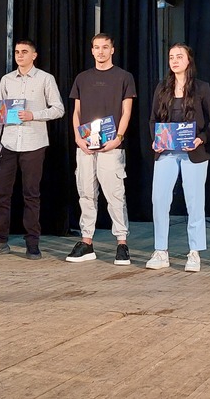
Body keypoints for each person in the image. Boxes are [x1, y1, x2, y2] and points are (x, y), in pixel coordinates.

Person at [0, 40, 65, 260]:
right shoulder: (7, 80)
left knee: (31, 194)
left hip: (34, 143)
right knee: (2, 193)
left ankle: (32, 243)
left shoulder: (45, 79)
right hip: (8, 143)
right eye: (17, 52)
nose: (19, 55)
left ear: (34, 55)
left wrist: (33, 115)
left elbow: (58, 109)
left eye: (24, 52)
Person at [145, 44, 210, 272]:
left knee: (194, 201)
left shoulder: (202, 88)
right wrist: (156, 140)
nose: (175, 61)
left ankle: (194, 252)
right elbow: (153, 120)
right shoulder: (162, 87)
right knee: (159, 199)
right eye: (171, 57)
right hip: (166, 151)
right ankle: (160, 250)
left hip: (193, 153)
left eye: (179, 56)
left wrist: (200, 139)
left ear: (189, 60)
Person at [65, 33, 136, 265]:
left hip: (111, 147)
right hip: (86, 146)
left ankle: (122, 243)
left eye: (105, 47)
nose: (101, 51)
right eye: (97, 47)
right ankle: (87, 242)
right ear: (92, 50)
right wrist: (78, 138)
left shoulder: (124, 77)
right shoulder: (82, 78)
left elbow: (126, 112)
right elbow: (76, 111)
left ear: (112, 50)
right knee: (86, 194)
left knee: (115, 195)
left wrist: (118, 138)